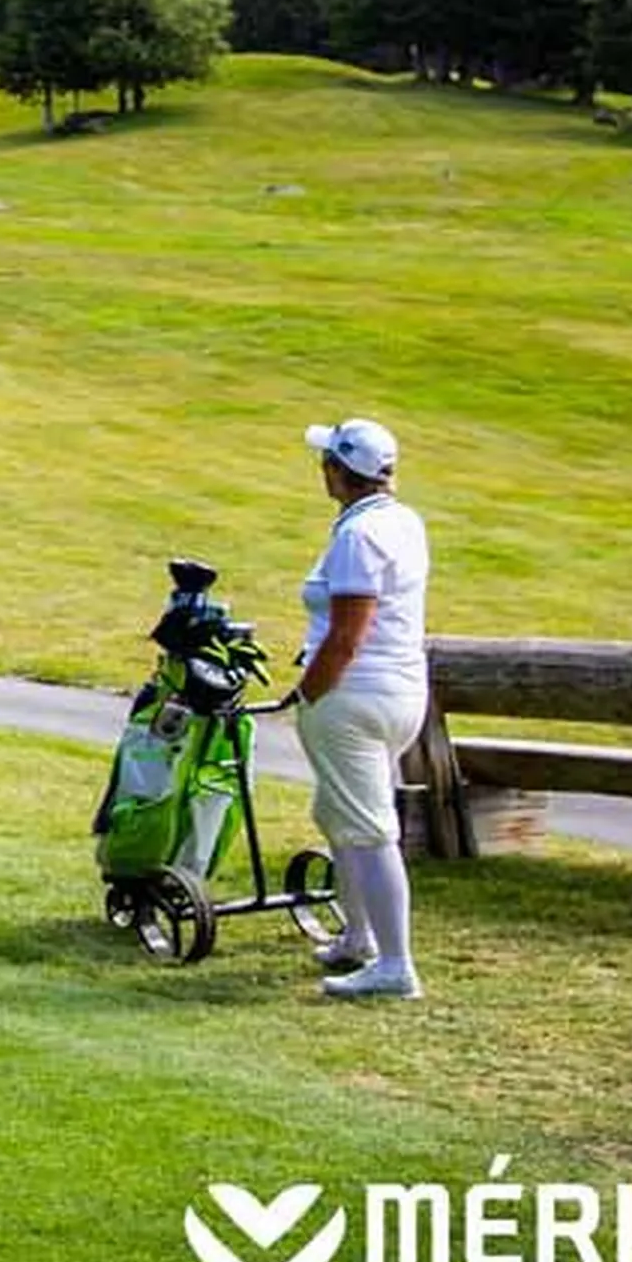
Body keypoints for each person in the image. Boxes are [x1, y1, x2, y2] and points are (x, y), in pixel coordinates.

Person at [273, 416, 431, 1002]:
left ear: (340, 471)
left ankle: (395, 965)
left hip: (354, 695)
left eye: (326, 463)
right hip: (399, 694)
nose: (321, 471)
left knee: (368, 829)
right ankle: (359, 937)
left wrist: (309, 692)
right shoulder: (401, 521)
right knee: (339, 812)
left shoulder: (357, 537)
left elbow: (347, 636)